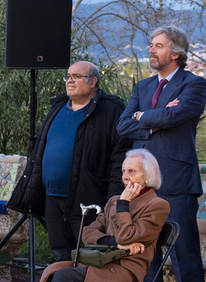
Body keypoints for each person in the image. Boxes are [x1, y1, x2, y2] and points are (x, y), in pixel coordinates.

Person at [1, 149, 170, 282]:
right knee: (53, 271)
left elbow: (127, 235)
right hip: (100, 261)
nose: (125, 176)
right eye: (123, 171)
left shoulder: (157, 205)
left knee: (64, 277)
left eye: (132, 171)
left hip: (125, 269)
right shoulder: (114, 201)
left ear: (147, 176)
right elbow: (87, 233)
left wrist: (123, 207)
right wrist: (114, 243)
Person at [117, 26, 206, 282]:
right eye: (151, 45)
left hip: (178, 182)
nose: (151, 50)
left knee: (185, 256)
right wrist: (152, 117)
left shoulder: (194, 84)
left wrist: (145, 117)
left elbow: (177, 117)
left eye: (157, 45)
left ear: (176, 53)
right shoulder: (142, 86)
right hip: (143, 186)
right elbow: (123, 125)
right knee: (145, 253)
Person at [9, 61, 128, 262]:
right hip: (52, 197)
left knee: (90, 255)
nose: (69, 80)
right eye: (68, 76)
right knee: (60, 255)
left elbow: (119, 157)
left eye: (76, 76)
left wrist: (113, 201)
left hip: (88, 199)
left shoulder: (111, 110)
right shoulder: (58, 106)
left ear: (93, 82)